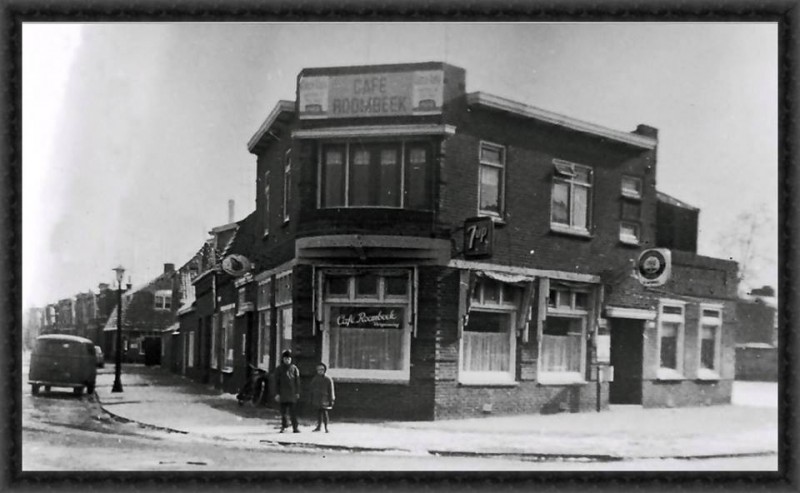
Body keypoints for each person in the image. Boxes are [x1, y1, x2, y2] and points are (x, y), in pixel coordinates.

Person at [273, 349, 301, 433]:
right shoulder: (279, 369)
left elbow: (297, 382)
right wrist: (277, 393)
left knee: (293, 412)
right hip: (283, 393)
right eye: (286, 359)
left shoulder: (294, 368)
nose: (287, 360)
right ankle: (284, 426)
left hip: (292, 393)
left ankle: (295, 427)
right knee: (283, 412)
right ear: (283, 359)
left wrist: (297, 392)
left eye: (289, 359)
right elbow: (276, 382)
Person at [309, 362, 335, 433]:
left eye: (322, 369)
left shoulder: (328, 379)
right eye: (319, 369)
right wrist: (311, 398)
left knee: (325, 413)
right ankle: (318, 426)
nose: (320, 371)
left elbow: (331, 390)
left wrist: (332, 399)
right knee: (318, 413)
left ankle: (326, 427)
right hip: (317, 398)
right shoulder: (315, 379)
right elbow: (311, 389)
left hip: (325, 398)